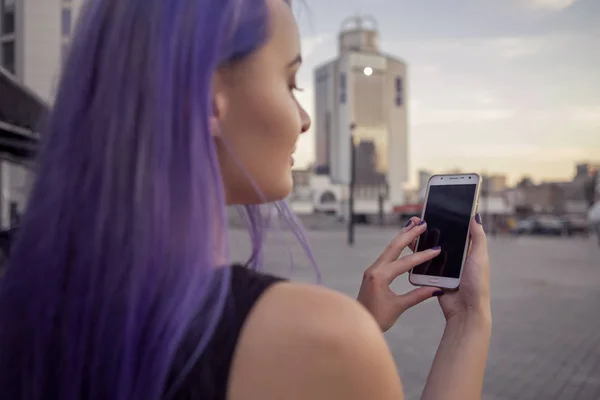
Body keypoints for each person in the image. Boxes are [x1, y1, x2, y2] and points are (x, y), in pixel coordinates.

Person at [0, 0, 491, 399]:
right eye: (289, 81)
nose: (304, 117)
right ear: (210, 99)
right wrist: (468, 322)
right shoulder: (320, 336)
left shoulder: (25, 282)